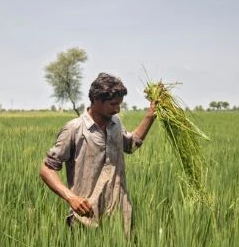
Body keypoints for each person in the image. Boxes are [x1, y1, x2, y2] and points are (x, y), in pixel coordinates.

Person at [39, 73, 158, 236]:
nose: (117, 109)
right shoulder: (74, 129)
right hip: (86, 217)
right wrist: (71, 197)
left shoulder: (115, 122)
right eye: (112, 104)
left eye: (119, 104)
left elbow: (130, 145)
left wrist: (150, 116)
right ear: (96, 100)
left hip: (119, 215)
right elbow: (47, 169)